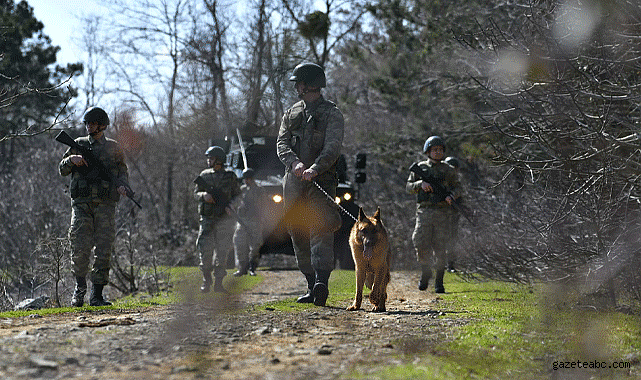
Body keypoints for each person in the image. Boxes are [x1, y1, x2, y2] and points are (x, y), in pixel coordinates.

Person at [277, 62, 344, 306]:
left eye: (299, 82)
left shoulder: (332, 113)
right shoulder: (291, 113)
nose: (296, 86)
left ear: (308, 84)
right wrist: (294, 164)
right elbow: (281, 143)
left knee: (320, 228)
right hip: (294, 183)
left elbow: (333, 147)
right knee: (297, 231)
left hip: (321, 181)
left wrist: (316, 168)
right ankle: (309, 284)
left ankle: (321, 283)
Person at [59, 106, 129, 307]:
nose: (89, 126)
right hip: (81, 205)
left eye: (93, 123)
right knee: (79, 248)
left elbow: (122, 173)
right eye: (87, 123)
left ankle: (96, 295)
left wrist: (124, 187)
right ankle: (79, 291)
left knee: (104, 249)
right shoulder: (78, 144)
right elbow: (62, 169)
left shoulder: (114, 148)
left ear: (103, 125)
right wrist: (71, 160)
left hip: (106, 205)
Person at [406, 136, 460, 293]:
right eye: (434, 150)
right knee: (420, 243)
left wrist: (452, 196)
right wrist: (420, 184)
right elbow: (408, 187)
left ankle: (439, 282)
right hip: (424, 211)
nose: (438, 152)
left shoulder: (449, 170)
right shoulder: (421, 168)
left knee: (440, 247)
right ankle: (425, 271)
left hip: (443, 212)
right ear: (428, 151)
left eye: (440, 150)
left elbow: (458, 187)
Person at [194, 145, 241, 293]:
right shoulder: (204, 175)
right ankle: (206, 280)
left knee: (222, 252)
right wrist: (204, 196)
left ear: (219, 160)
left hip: (224, 220)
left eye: (212, 158)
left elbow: (238, 195)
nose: (209, 161)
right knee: (205, 251)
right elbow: (195, 193)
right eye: (208, 158)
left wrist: (232, 206)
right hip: (207, 219)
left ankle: (219, 283)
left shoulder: (230, 176)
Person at [232, 168, 264, 277]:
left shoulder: (259, 190)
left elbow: (264, 205)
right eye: (245, 179)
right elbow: (235, 201)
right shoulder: (242, 190)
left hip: (255, 221)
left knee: (255, 246)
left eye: (248, 179)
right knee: (239, 243)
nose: (247, 181)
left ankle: (252, 267)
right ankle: (241, 268)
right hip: (242, 221)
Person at [444, 156, 463, 272]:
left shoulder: (456, 184)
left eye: (455, 169)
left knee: (452, 240)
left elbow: (460, 197)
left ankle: (450, 265)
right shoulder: (441, 181)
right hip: (439, 214)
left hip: (453, 215)